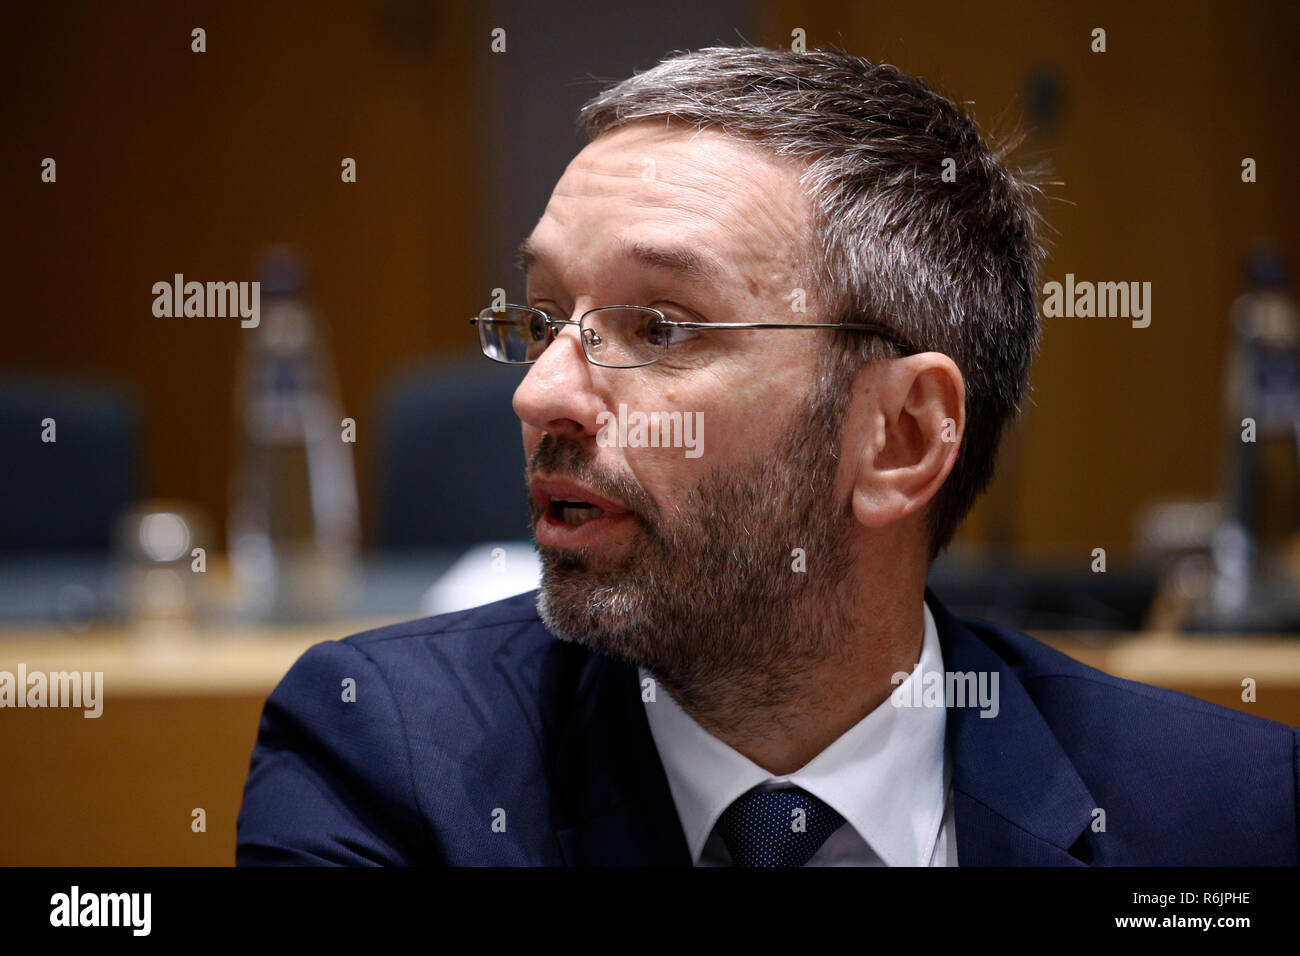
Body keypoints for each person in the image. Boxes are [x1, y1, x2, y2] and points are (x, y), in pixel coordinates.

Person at [236, 45, 1298, 866]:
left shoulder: (1222, 812)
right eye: (545, 314)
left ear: (900, 436)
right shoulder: (388, 757)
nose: (538, 390)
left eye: (660, 326)